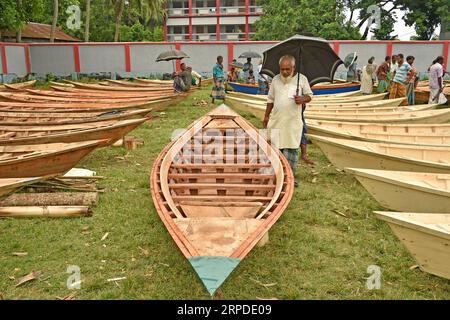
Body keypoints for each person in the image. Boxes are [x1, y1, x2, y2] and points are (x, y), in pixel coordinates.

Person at [263, 55, 313, 187]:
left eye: (288, 69)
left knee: (291, 150)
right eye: (282, 69)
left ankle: (289, 178)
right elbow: (270, 99)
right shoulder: (275, 79)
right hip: (277, 120)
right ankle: (275, 177)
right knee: (274, 149)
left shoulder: (302, 79)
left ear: (293, 67)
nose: (284, 72)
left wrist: (302, 99)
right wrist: (266, 116)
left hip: (292, 122)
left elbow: (310, 96)